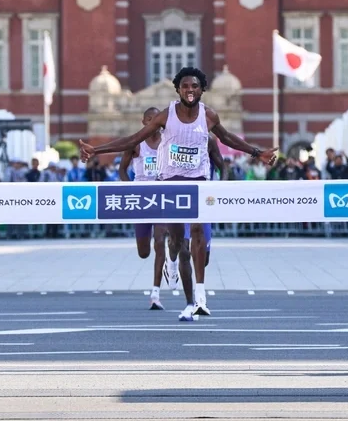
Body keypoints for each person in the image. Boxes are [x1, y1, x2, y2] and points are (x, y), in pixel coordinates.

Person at [79, 66, 276, 322]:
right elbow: (133, 139)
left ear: (202, 89)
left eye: (194, 86)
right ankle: (177, 277)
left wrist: (257, 152)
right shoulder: (166, 115)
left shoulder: (208, 115)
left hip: (198, 183)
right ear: (178, 90)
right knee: (177, 244)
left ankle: (199, 298)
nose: (190, 90)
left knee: (197, 237)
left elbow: (228, 138)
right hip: (171, 184)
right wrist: (96, 150)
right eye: (185, 86)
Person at [119, 106, 178, 310]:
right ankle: (159, 273)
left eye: (157, 119)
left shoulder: (168, 142)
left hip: (161, 197)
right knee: (143, 252)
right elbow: (122, 170)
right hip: (142, 198)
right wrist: (130, 190)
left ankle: (155, 294)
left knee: (160, 242)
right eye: (150, 119)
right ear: (144, 122)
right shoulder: (136, 144)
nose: (155, 123)